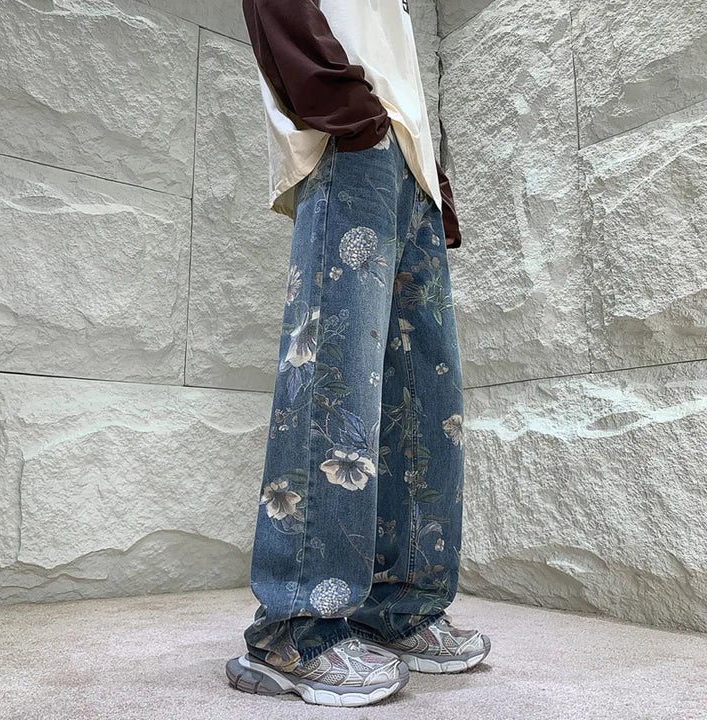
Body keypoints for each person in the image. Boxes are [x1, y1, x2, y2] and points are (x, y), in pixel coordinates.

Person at [225, 0, 491, 707]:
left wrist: (429, 175)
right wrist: (349, 112)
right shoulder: (351, 123)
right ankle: (296, 630)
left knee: (424, 398)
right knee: (335, 380)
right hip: (351, 144)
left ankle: (397, 608)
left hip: (407, 164)